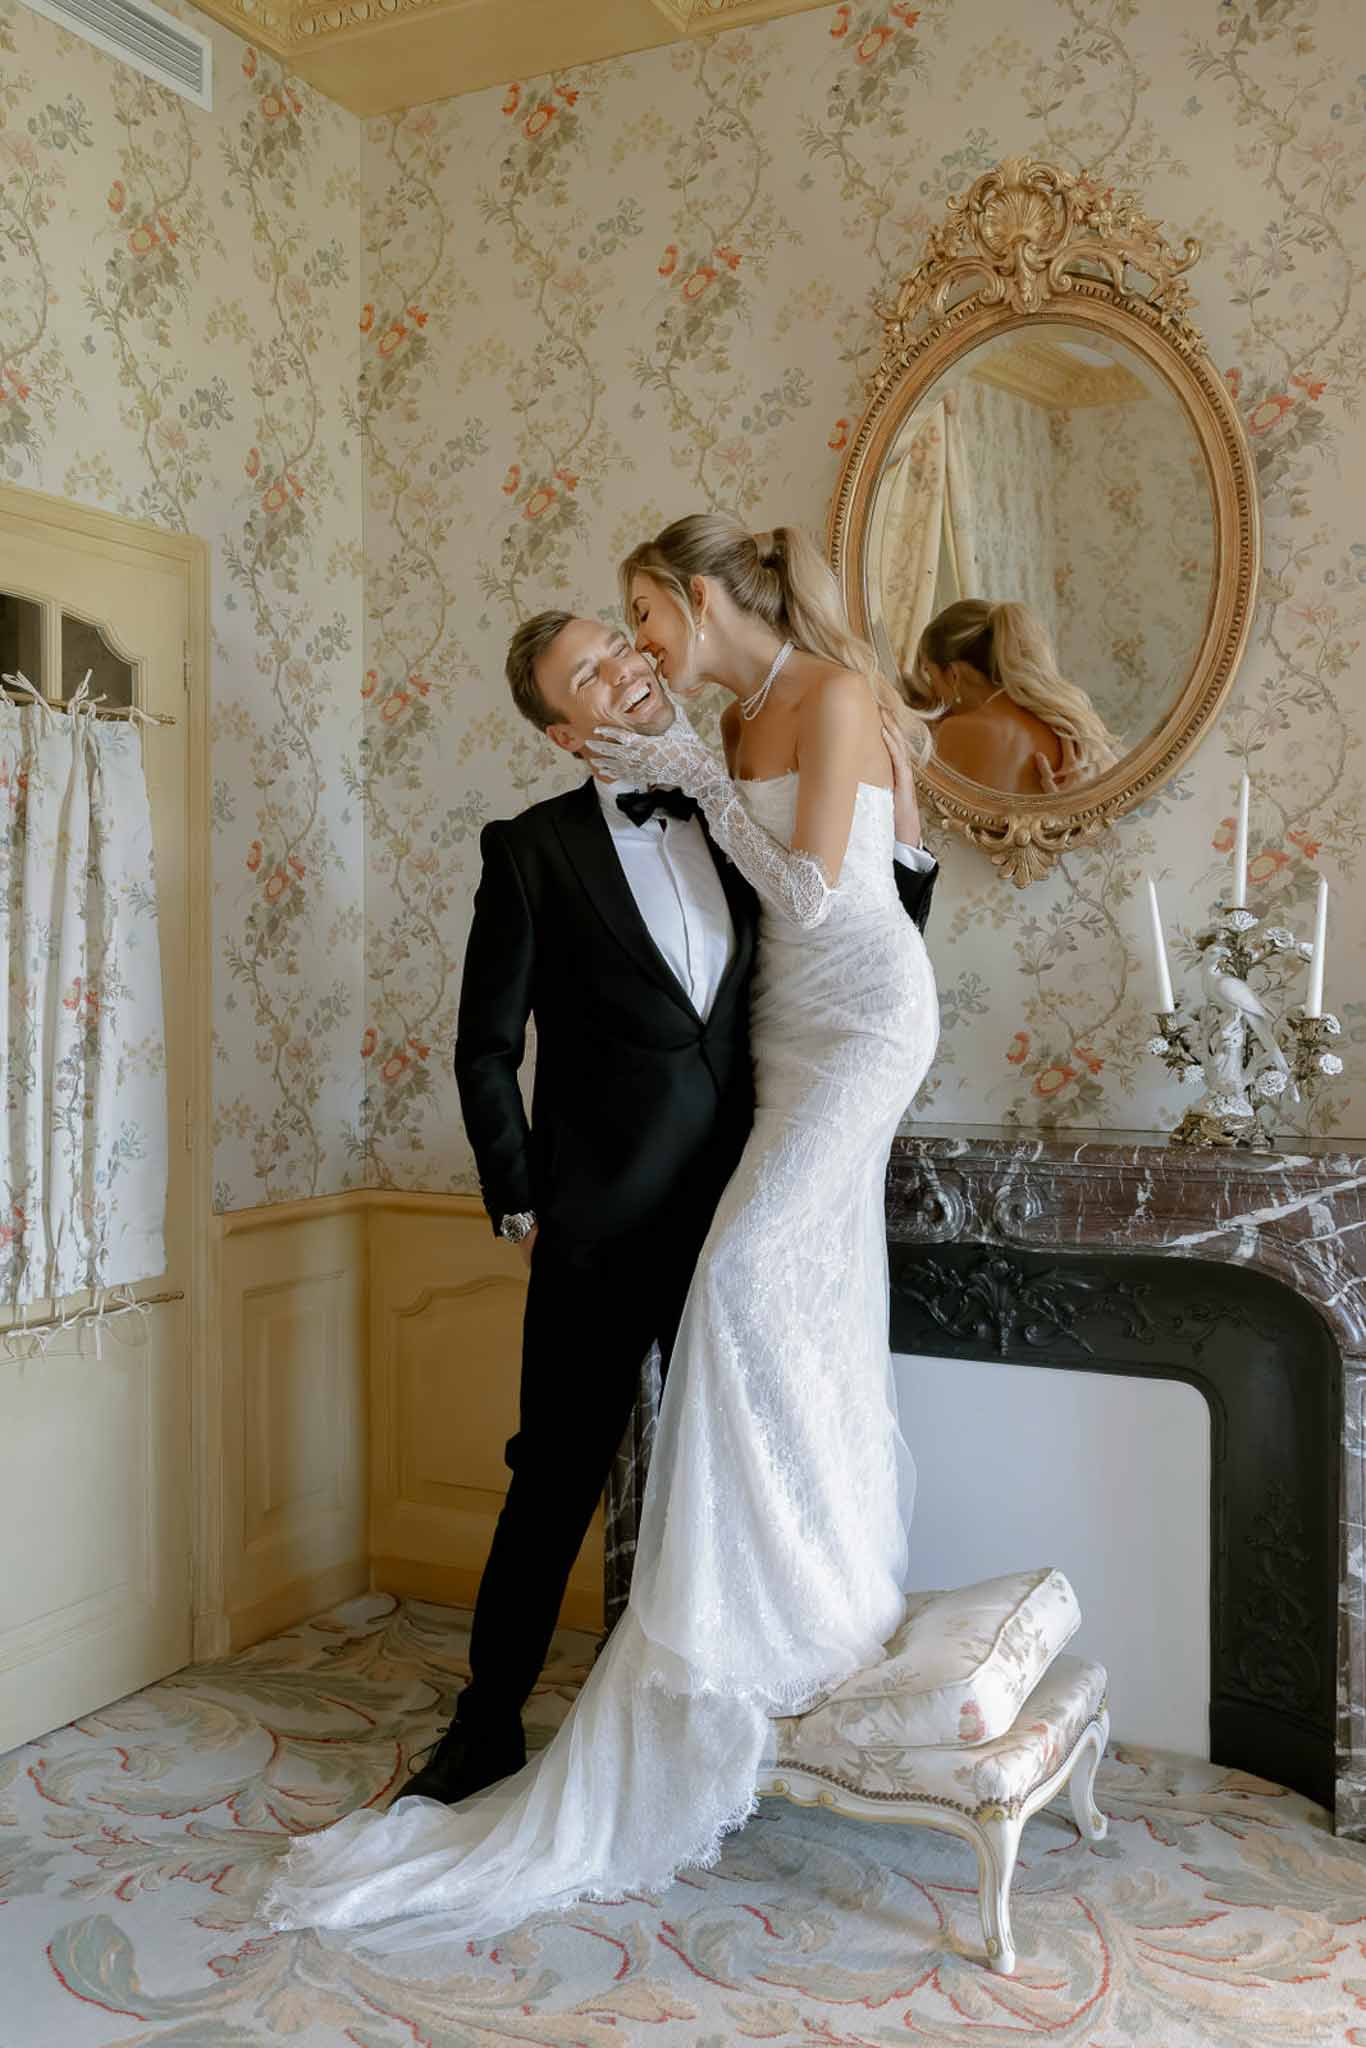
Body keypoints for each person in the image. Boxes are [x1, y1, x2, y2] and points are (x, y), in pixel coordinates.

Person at [261, 517, 940, 1953]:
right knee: (554, 1467)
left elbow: (847, 898)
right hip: (592, 1216)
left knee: (735, 1384)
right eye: (598, 670)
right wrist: (519, 1192)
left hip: (744, 1166)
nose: (631, 674)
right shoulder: (532, 850)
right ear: (566, 729)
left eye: (630, 647)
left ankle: (764, 1649)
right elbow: (477, 1048)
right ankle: (484, 1724)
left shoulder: (737, 773)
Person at [910, 598, 1122, 796]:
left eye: (930, 674)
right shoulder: (1070, 727)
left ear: (954, 675)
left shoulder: (955, 732)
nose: (932, 691)